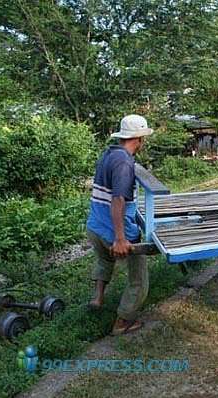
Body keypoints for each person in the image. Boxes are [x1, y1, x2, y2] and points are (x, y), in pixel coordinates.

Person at [86, 114, 153, 335]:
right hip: (114, 234)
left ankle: (98, 297)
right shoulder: (125, 162)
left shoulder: (108, 154)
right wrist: (121, 238)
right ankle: (123, 323)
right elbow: (118, 200)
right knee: (139, 281)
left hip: (95, 228)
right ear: (139, 139)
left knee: (104, 259)